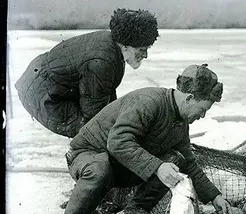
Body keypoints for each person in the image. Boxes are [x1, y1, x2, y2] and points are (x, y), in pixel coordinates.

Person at [54, 64, 232, 214]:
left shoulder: (181, 123)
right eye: (203, 109)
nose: (203, 116)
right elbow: (118, 141)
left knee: (176, 160)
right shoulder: (148, 101)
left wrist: (215, 196)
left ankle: (136, 209)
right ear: (189, 98)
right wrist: (157, 167)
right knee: (99, 168)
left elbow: (189, 163)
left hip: (119, 166)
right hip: (87, 155)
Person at [15, 8, 159, 138]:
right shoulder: (102, 61)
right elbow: (95, 114)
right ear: (127, 46)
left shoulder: (113, 45)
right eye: (141, 50)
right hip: (42, 93)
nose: (145, 55)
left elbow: (106, 97)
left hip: (50, 82)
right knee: (93, 133)